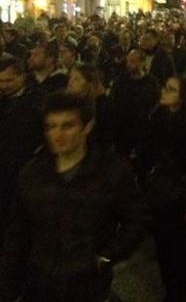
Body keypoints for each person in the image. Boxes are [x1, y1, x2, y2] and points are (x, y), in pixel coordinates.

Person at [0, 92, 150, 302]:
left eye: (67, 126)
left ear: (87, 127)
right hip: (39, 283)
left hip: (86, 285)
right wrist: (7, 287)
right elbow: (17, 232)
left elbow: (136, 220)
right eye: (51, 127)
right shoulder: (32, 173)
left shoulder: (111, 172)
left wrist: (106, 257)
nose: (57, 135)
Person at [142, 76, 186, 302]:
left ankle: (178, 295)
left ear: (183, 96)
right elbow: (147, 151)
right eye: (165, 86)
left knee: (178, 253)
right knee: (162, 249)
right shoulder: (157, 116)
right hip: (159, 193)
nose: (164, 91)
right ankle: (170, 291)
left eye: (171, 89)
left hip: (181, 196)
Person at [0, 57, 44, 245]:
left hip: (21, 168)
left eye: (8, 81)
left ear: (22, 77)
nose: (3, 85)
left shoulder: (37, 101)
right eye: (0, 81)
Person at [111, 49, 160, 159]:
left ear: (142, 63)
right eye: (128, 61)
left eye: (133, 62)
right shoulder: (120, 80)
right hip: (123, 128)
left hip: (142, 129)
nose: (129, 65)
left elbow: (157, 101)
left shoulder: (151, 81)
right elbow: (114, 102)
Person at [67, 63, 114, 153]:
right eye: (70, 78)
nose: (70, 83)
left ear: (90, 83)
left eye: (77, 79)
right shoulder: (72, 105)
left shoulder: (102, 107)